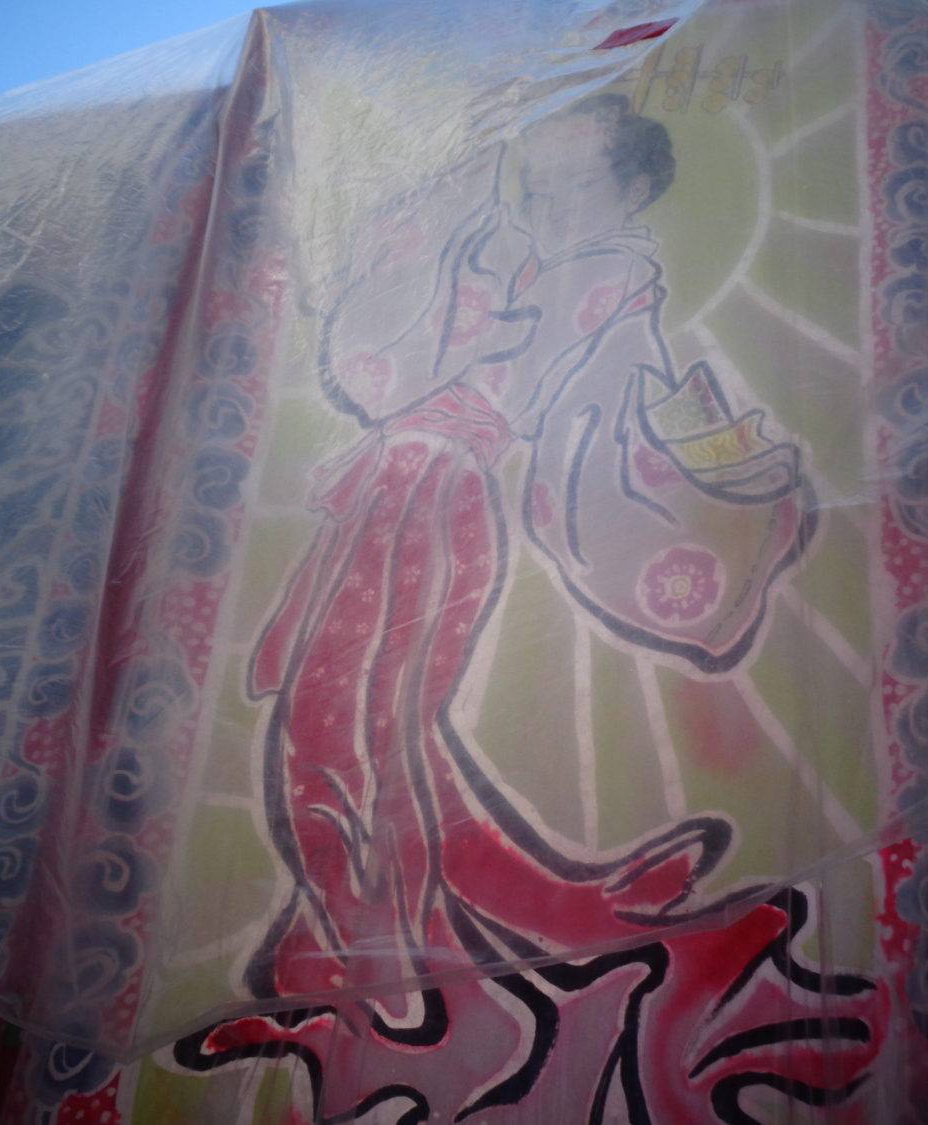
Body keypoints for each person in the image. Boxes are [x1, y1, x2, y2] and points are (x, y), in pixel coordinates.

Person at [175, 94, 878, 1121]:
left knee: (353, 732)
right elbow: (387, 362)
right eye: (537, 183)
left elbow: (593, 423)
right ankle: (415, 944)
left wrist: (718, 467)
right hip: (393, 497)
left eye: (575, 183)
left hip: (437, 504)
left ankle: (385, 964)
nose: (548, 203)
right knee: (360, 736)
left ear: (631, 188)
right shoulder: (523, 266)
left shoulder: (610, 287)